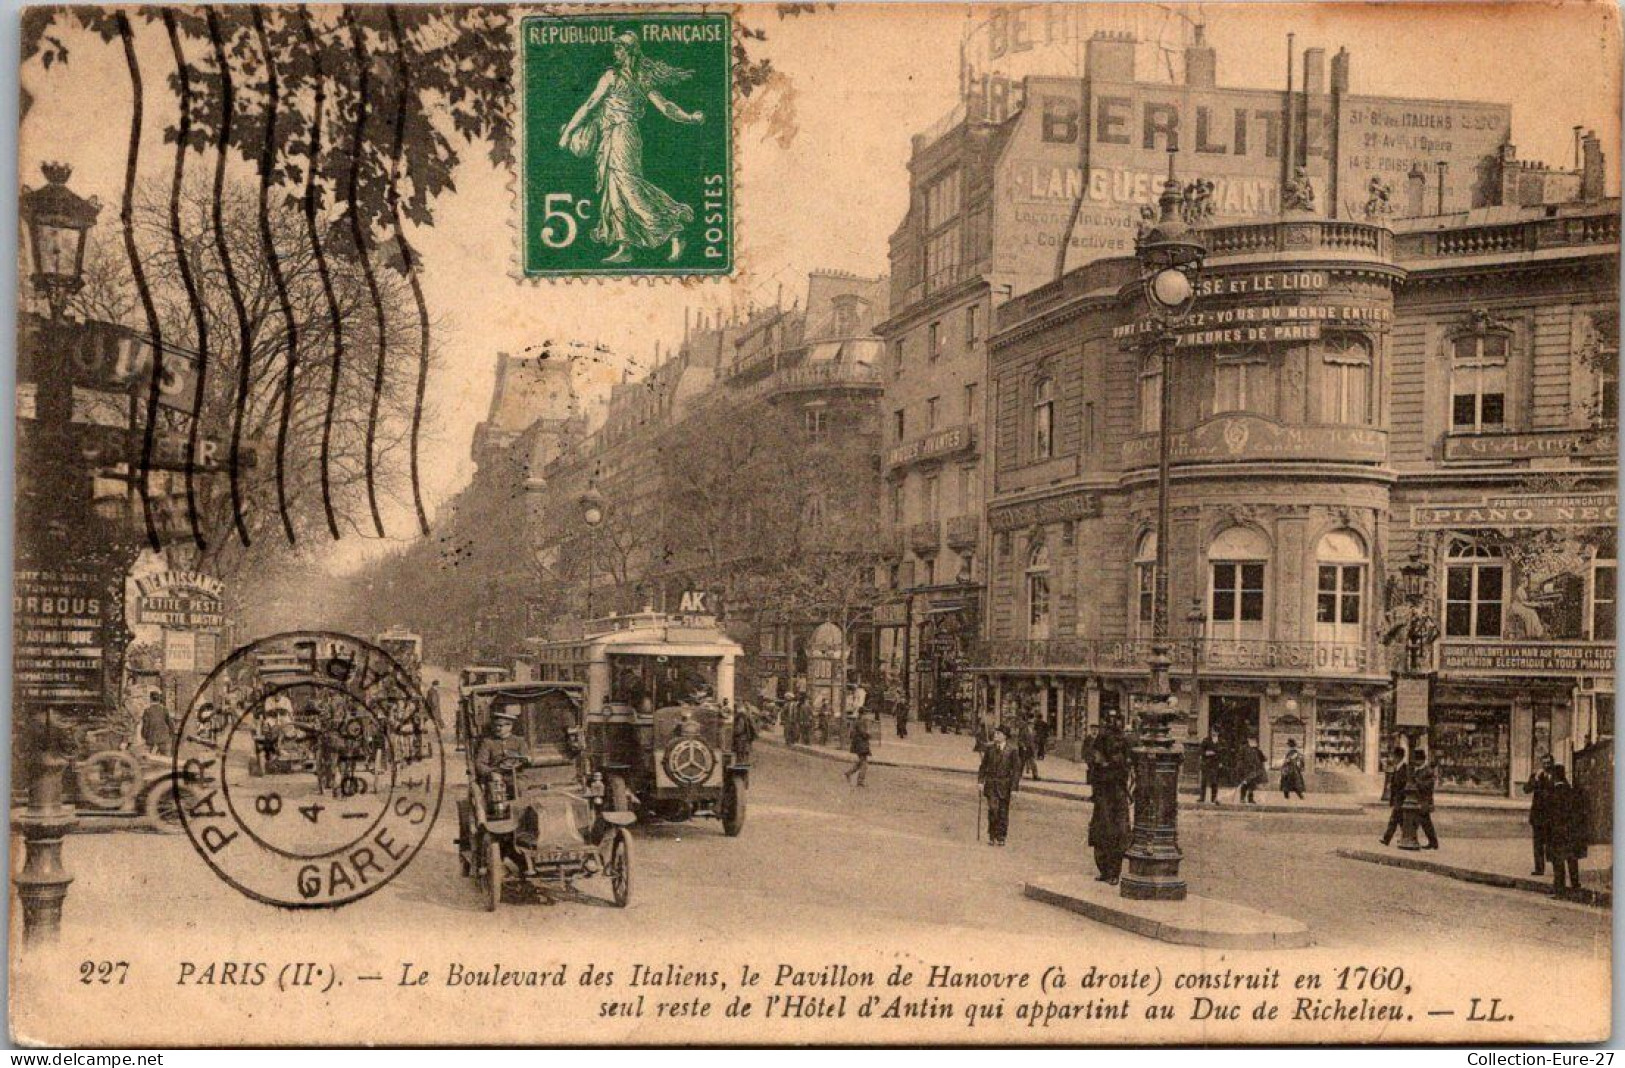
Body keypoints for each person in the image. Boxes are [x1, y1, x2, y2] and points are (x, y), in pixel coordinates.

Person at [558, 32, 706, 264]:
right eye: (615, 49)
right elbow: (589, 105)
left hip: (624, 135)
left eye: (619, 49)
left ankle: (674, 230)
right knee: (614, 189)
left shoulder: (632, 78)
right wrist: (568, 133)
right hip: (611, 136)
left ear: (629, 52)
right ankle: (624, 246)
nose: (615, 53)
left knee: (628, 186)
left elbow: (665, 107)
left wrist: (689, 118)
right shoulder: (615, 76)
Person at [1088, 711, 1134, 882]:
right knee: (1101, 832)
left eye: (1116, 719)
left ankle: (1113, 872)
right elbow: (1094, 762)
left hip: (1116, 792)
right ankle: (1105, 871)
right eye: (1111, 719)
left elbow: (1125, 766)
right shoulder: (1102, 739)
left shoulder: (1123, 742)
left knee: (1116, 833)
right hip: (1104, 793)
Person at [1545, 764, 1590, 898]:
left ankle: (1559, 890)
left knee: (1558, 862)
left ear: (1554, 776)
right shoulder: (1571, 791)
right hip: (1571, 832)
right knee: (1572, 859)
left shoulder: (1553, 793)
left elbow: (1549, 815)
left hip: (1557, 832)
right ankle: (1575, 886)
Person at [977, 725, 1022, 846]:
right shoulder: (990, 748)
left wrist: (1014, 789)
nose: (995, 735)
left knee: (1003, 812)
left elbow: (1016, 771)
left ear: (1004, 736)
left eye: (998, 733)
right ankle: (992, 835)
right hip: (991, 784)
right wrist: (980, 781)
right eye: (995, 733)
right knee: (993, 810)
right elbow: (983, 766)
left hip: (1005, 785)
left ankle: (1001, 836)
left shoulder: (1012, 750)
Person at [1522, 753, 1557, 876]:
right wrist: (1535, 779)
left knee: (1551, 843)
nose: (1546, 765)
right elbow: (1526, 789)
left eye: (1549, 763)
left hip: (1551, 816)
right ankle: (1539, 868)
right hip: (1537, 815)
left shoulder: (1556, 775)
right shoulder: (1536, 776)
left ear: (1552, 763)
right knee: (1537, 844)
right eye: (1544, 763)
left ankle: (1556, 868)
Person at [1405, 748, 1440, 849]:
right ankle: (1431, 842)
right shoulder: (1419, 770)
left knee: (1423, 822)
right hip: (1418, 799)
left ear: (1422, 760)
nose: (1415, 762)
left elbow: (1428, 786)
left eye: (1417, 760)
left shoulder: (1427, 771)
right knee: (1423, 822)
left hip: (1424, 800)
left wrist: (1417, 782)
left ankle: (1430, 841)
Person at [1379, 745, 1411, 846]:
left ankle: (1387, 839)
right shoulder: (1397, 768)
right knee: (1400, 821)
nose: (1392, 758)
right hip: (1397, 798)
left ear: (1398, 757)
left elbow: (1403, 784)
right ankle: (1405, 837)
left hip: (1401, 799)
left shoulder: (1404, 768)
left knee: (1394, 820)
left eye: (1394, 756)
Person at [141, 690, 173, 757]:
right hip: (163, 737)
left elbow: (145, 726)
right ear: (159, 699)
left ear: (150, 699)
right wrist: (171, 734)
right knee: (166, 758)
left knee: (148, 757)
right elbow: (170, 723)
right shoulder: (164, 710)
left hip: (151, 737)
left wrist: (144, 736)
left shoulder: (147, 711)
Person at [844, 715, 871, 787]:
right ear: (863, 713)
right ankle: (860, 781)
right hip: (861, 745)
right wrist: (868, 734)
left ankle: (849, 773)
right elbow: (864, 734)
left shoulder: (857, 721)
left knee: (861, 762)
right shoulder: (861, 722)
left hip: (859, 745)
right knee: (864, 764)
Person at [1238, 738, 1266, 805]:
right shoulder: (1244, 748)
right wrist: (1241, 768)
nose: (1253, 741)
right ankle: (1242, 798)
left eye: (1254, 740)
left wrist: (1262, 755)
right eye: (1251, 740)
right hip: (1246, 769)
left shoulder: (1257, 749)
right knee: (1245, 784)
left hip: (1254, 770)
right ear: (1248, 740)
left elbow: (1263, 758)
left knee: (1252, 785)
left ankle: (1250, 799)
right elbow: (1240, 758)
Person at [1198, 728, 1222, 804]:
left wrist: (1221, 762)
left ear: (1218, 733)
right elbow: (1200, 751)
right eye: (1213, 731)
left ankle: (1214, 798)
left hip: (1215, 764)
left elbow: (1223, 753)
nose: (1214, 733)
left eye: (1215, 732)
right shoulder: (1206, 740)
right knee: (1204, 781)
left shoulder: (1220, 741)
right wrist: (1206, 753)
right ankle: (1202, 798)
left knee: (1214, 781)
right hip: (1206, 763)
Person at [1018, 716, 1041, 781]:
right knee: (1022, 763)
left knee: (1033, 763)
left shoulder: (1034, 731)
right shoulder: (1024, 731)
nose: (1032, 725)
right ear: (1028, 724)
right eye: (1031, 724)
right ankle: (1018, 775)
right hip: (1025, 750)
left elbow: (1035, 740)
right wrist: (1023, 746)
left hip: (1031, 750)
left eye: (1033, 724)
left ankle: (1035, 776)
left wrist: (1036, 745)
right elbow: (1020, 740)